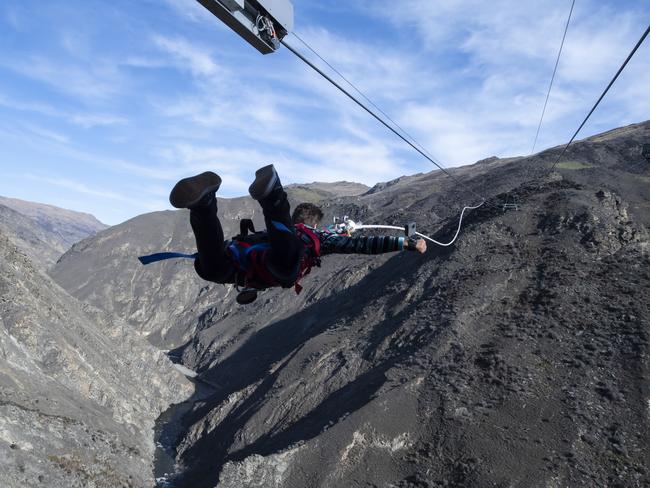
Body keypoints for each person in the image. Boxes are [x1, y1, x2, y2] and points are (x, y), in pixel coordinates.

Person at [169, 164, 426, 303]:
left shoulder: (272, 235)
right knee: (287, 265)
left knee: (210, 266)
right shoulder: (319, 238)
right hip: (264, 270)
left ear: (295, 220)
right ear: (313, 224)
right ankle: (273, 196)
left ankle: (203, 205)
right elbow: (363, 245)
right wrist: (405, 242)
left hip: (242, 265)